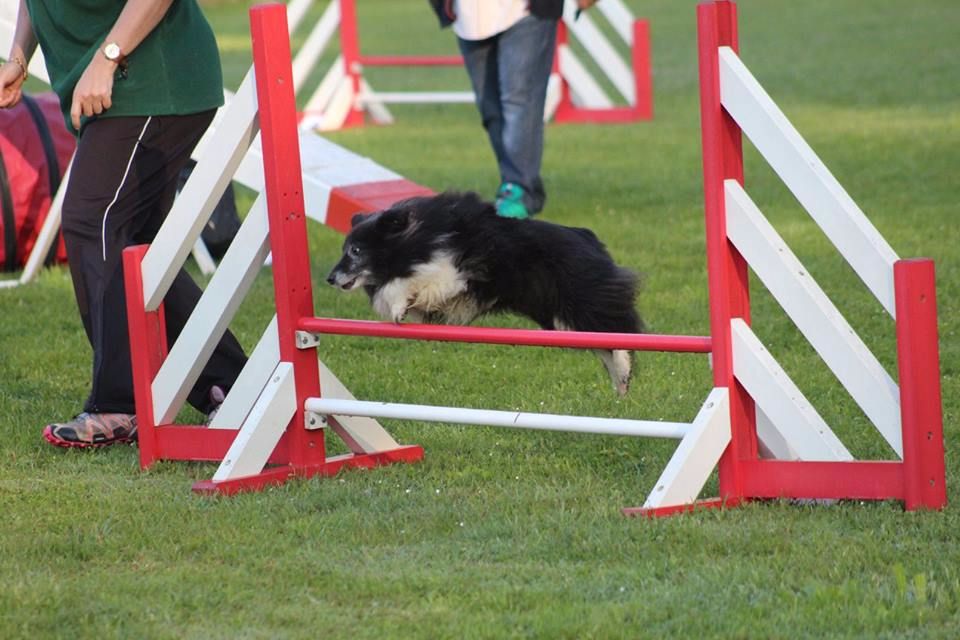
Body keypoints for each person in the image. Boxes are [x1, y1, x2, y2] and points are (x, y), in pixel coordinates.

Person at [0, 0, 247, 447]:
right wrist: (18, 57)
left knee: (92, 221)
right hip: (120, 86)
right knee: (136, 254)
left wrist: (107, 56)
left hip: (153, 80)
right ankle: (231, 385)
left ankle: (120, 403)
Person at [429, 0, 598, 219]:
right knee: (489, 106)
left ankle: (520, 189)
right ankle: (514, 185)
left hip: (526, 12)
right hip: (469, 16)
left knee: (519, 101)